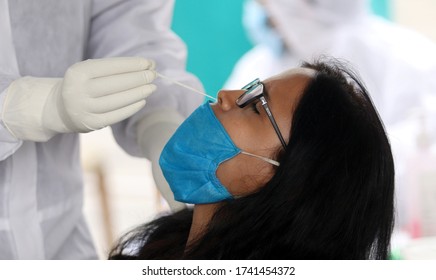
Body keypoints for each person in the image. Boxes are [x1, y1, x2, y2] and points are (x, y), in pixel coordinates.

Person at [109, 59, 395, 260]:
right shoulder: (160, 250)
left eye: (256, 107)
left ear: (294, 178)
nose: (225, 96)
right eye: (248, 89)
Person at [0, 0, 203, 259]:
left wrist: (157, 118)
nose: (228, 99)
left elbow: (128, 18)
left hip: (63, 246)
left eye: (257, 106)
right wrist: (24, 105)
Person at [225, 0, 436, 235]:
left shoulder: (407, 57)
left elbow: (406, 171)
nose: (259, 9)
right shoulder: (257, 65)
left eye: (265, 3)